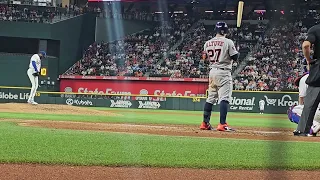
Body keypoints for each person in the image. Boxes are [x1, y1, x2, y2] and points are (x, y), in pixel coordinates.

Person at [200, 22, 239, 131]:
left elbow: (204, 59)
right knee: (224, 98)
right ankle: (222, 124)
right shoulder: (228, 41)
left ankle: (205, 123)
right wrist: (237, 50)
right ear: (225, 31)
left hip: (212, 71)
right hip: (224, 71)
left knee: (210, 98)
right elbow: (235, 57)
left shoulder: (207, 43)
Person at [295, 24, 320, 136]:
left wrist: (309, 60)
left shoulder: (315, 29)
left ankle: (303, 130)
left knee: (310, 103)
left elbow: (306, 45)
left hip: (318, 69)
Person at [288, 70, 320, 136]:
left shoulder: (304, 78)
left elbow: (301, 99)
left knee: (291, 111)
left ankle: (313, 125)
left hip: (318, 112)